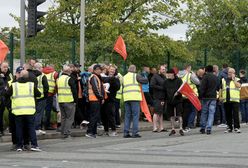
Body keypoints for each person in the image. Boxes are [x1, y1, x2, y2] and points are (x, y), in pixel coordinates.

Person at [6, 70, 42, 152]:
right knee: (31, 128)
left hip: (18, 110)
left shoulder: (14, 85)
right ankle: (34, 145)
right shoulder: (31, 85)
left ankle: (19, 146)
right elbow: (39, 94)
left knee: (19, 128)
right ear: (28, 76)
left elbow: (7, 94)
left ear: (20, 75)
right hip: (29, 110)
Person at [123, 65, 148, 138]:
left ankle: (126, 132)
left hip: (126, 98)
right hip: (135, 97)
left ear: (128, 69)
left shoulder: (124, 77)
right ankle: (135, 133)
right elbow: (145, 81)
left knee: (127, 116)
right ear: (134, 69)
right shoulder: (136, 75)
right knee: (135, 116)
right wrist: (144, 75)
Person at [57, 65, 77, 139]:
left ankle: (62, 132)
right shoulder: (69, 79)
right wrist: (75, 101)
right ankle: (67, 133)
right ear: (68, 71)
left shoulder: (59, 79)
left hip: (61, 100)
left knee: (63, 117)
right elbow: (74, 91)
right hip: (69, 100)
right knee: (69, 118)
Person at [86, 64, 106, 138]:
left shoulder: (96, 77)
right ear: (94, 70)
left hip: (95, 99)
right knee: (94, 116)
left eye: (100, 69)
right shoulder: (94, 77)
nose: (99, 71)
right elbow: (96, 89)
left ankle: (93, 132)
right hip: (94, 99)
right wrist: (101, 98)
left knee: (95, 116)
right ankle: (90, 132)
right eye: (97, 69)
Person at [178, 65, 200, 132]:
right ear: (188, 68)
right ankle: (189, 124)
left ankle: (184, 125)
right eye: (190, 68)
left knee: (185, 111)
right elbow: (198, 82)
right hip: (190, 95)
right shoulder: (190, 75)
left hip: (183, 95)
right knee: (193, 110)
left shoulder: (179, 75)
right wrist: (194, 75)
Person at [220, 68, 241, 133]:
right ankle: (229, 127)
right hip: (226, 99)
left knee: (235, 114)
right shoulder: (223, 80)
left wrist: (234, 79)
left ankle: (236, 127)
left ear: (234, 73)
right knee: (228, 114)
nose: (230, 73)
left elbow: (238, 86)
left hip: (235, 100)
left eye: (232, 72)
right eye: (229, 72)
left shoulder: (238, 79)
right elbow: (221, 88)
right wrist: (220, 96)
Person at [163, 69, 184, 136]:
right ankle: (173, 129)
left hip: (178, 100)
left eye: (169, 74)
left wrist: (178, 93)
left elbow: (182, 89)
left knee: (179, 115)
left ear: (173, 74)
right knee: (171, 116)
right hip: (169, 100)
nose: (168, 75)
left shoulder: (179, 80)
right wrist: (163, 100)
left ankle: (181, 128)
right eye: (167, 74)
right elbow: (164, 91)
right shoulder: (166, 82)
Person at [101, 65, 120, 136]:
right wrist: (111, 79)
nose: (112, 71)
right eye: (111, 69)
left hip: (111, 99)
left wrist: (113, 79)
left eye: (113, 70)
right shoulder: (104, 77)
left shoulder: (116, 79)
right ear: (108, 70)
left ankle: (113, 130)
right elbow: (102, 80)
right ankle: (106, 130)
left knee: (111, 115)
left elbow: (117, 87)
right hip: (103, 99)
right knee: (103, 115)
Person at [199, 65, 218, 134]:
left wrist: (201, 95)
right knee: (211, 113)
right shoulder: (215, 77)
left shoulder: (205, 77)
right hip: (213, 97)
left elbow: (202, 88)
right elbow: (218, 87)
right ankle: (209, 128)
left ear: (206, 70)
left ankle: (203, 127)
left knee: (204, 112)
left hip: (205, 98)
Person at [33, 63, 49, 135]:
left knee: (34, 113)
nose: (42, 69)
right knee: (39, 114)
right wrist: (45, 96)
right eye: (41, 67)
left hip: (33, 97)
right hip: (41, 97)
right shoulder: (42, 76)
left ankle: (32, 128)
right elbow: (46, 87)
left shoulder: (31, 75)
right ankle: (37, 128)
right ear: (39, 68)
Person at [150, 65, 166, 132]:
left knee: (161, 112)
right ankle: (154, 127)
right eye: (162, 69)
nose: (164, 70)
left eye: (164, 69)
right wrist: (162, 88)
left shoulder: (164, 77)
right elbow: (152, 85)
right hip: (157, 97)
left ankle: (161, 127)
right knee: (156, 112)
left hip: (163, 97)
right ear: (159, 70)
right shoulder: (155, 77)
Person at [43, 65, 59, 130]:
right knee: (48, 110)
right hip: (50, 94)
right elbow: (57, 84)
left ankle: (41, 124)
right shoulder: (54, 73)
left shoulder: (42, 72)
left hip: (42, 93)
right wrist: (55, 92)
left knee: (41, 110)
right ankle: (47, 125)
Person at [0, 61, 13, 136]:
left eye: (7, 67)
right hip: (1, 97)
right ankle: (1, 130)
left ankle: (11, 128)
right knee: (0, 114)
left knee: (11, 113)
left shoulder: (9, 74)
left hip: (8, 97)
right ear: (0, 67)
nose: (6, 68)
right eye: (4, 67)